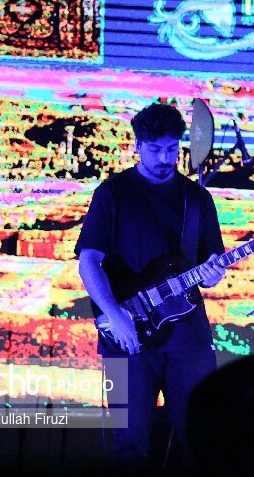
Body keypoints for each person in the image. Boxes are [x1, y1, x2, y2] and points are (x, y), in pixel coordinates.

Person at [76, 102, 226, 469]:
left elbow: (211, 267)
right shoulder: (113, 192)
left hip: (188, 337)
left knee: (199, 440)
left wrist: (213, 274)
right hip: (127, 330)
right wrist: (115, 315)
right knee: (130, 445)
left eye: (172, 149)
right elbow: (88, 262)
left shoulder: (197, 199)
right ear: (138, 146)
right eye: (155, 149)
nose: (164, 158)